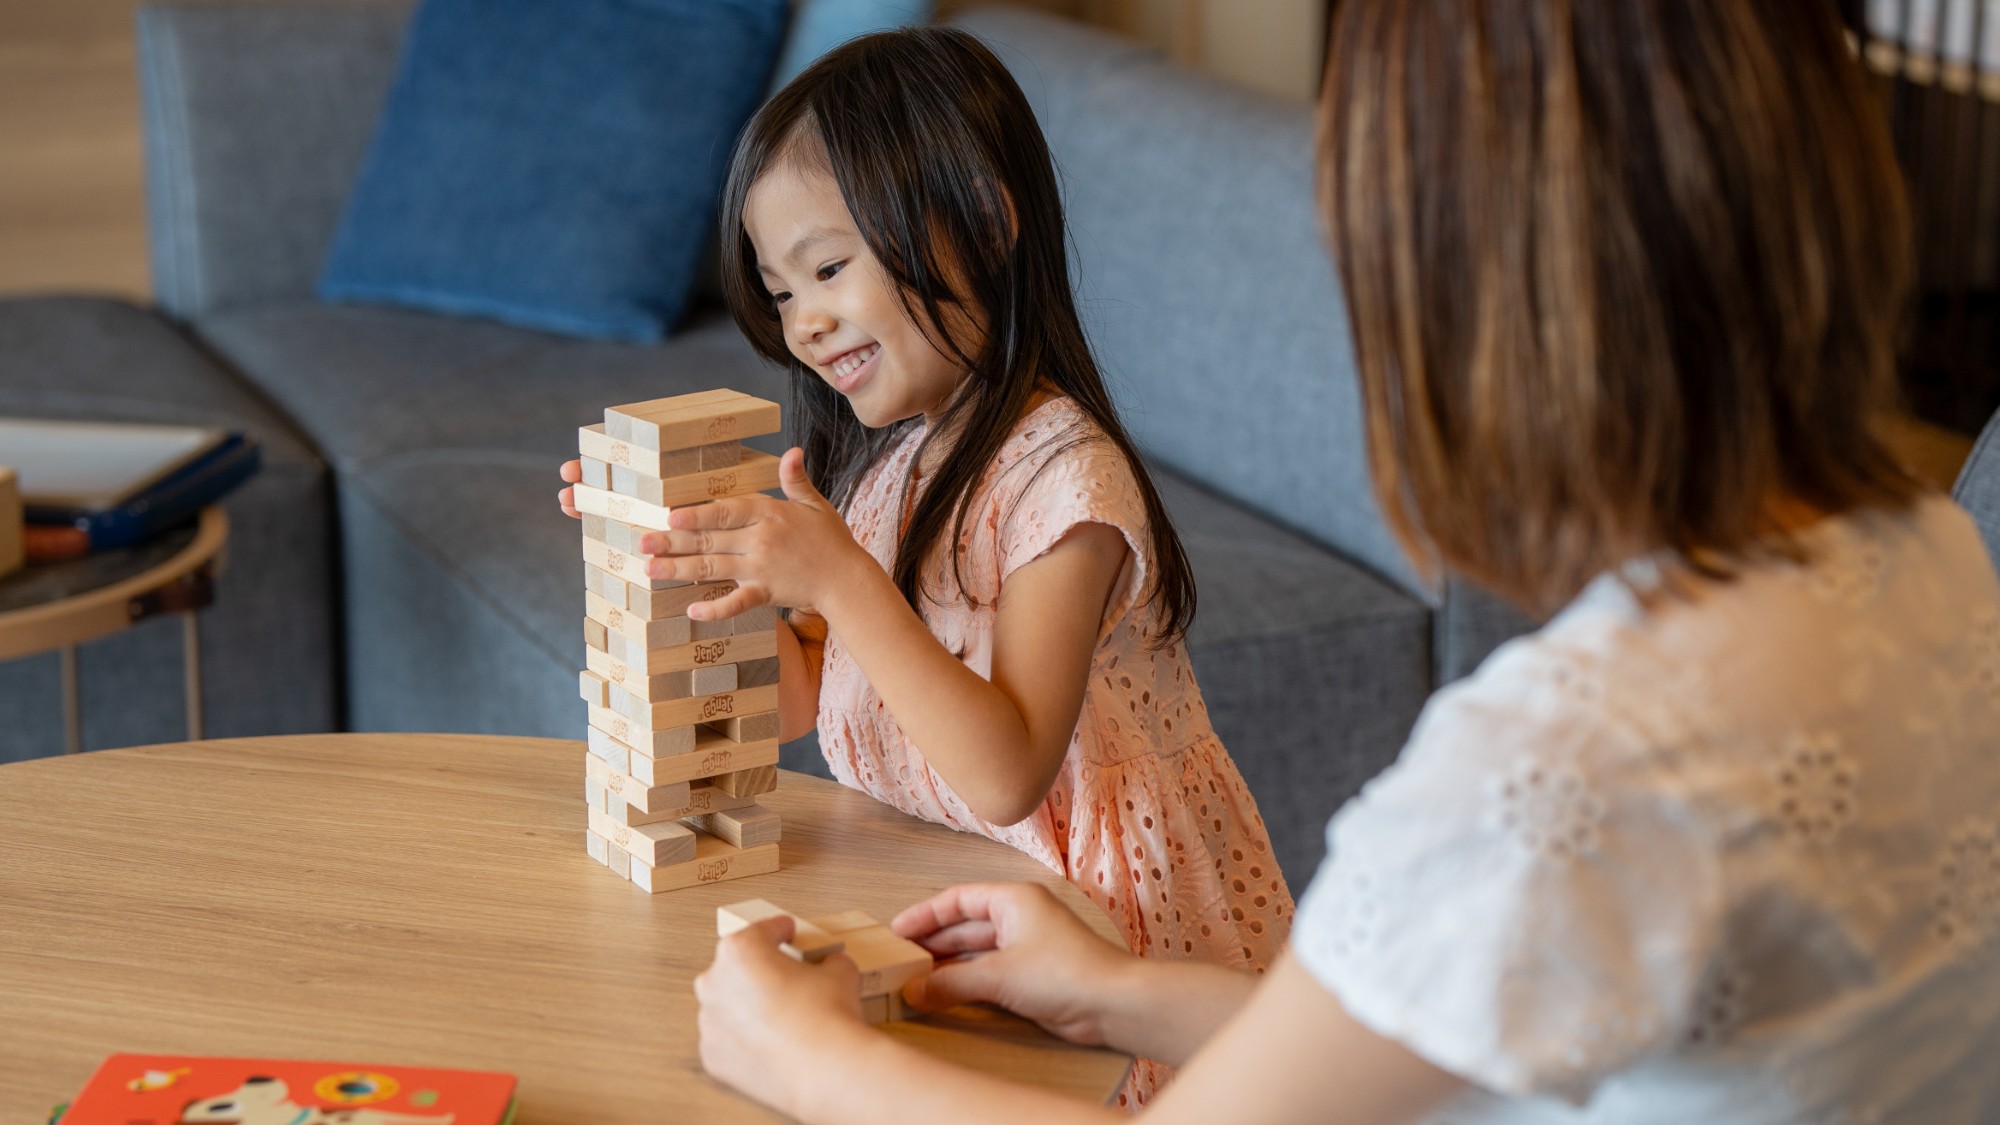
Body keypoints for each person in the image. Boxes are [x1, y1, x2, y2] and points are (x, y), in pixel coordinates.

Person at [691, 0, 2000, 1121]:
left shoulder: (1556, 768)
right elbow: (1447, 1040)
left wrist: (812, 1060)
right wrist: (1119, 991)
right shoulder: (1930, 553)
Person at [557, 26, 1293, 1103]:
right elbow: (802, 698)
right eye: (779, 292)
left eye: (827, 269)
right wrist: (683, 555)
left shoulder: (1066, 487)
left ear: (981, 225)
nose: (804, 324)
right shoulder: (891, 465)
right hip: (948, 895)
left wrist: (838, 581)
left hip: (1095, 928)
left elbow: (1007, 772)